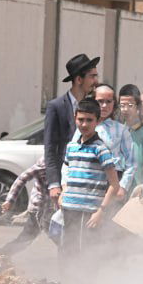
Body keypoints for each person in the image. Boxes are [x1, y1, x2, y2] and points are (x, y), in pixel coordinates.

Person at [59, 96, 121, 267]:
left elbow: (114, 185)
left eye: (89, 120)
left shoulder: (101, 149)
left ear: (97, 121)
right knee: (68, 249)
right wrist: (64, 191)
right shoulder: (71, 147)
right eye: (81, 119)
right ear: (75, 118)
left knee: (88, 251)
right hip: (70, 207)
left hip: (90, 212)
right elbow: (67, 171)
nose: (84, 124)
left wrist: (101, 212)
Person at [43, 54, 100, 208]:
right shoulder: (56, 106)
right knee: (45, 224)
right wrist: (54, 183)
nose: (96, 81)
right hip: (65, 178)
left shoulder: (95, 105)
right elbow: (50, 148)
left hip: (88, 179)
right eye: (92, 76)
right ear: (79, 79)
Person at [1, 159, 50, 254]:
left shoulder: (65, 158)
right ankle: (2, 254)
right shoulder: (45, 163)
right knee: (27, 237)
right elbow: (21, 179)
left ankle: (74, 260)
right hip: (40, 209)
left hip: (55, 208)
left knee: (62, 236)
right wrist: (9, 200)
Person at [93, 83, 135, 194]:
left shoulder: (121, 130)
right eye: (100, 101)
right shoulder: (84, 127)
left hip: (113, 183)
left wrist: (123, 186)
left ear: (114, 103)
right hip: (89, 180)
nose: (104, 105)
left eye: (108, 101)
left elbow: (131, 162)